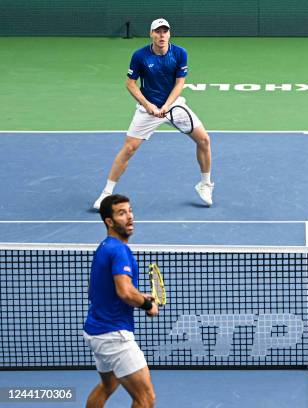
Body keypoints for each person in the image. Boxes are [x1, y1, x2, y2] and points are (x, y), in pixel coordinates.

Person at [93, 18, 213, 210]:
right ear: (151, 34)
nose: (161, 35)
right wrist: (148, 105)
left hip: (173, 106)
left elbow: (179, 83)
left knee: (204, 140)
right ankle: (106, 193)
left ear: (169, 34)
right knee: (129, 149)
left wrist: (167, 105)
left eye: (165, 31)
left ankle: (205, 184)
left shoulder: (180, 53)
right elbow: (130, 84)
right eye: (158, 32)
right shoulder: (140, 56)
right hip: (148, 109)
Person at [84, 194, 158, 408]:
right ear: (109, 221)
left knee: (108, 385)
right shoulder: (119, 251)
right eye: (121, 213)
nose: (130, 217)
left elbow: (101, 289)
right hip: (114, 336)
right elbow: (125, 293)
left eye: (130, 211)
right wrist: (146, 304)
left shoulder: (105, 246)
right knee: (145, 399)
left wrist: (138, 295)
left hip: (95, 331)